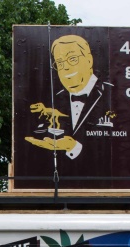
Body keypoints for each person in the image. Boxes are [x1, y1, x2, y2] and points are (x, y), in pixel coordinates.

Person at [24, 34, 115, 162]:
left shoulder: (114, 94)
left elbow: (120, 152)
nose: (65, 67)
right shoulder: (53, 99)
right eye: (59, 63)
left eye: (72, 59)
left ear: (89, 60)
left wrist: (73, 147)